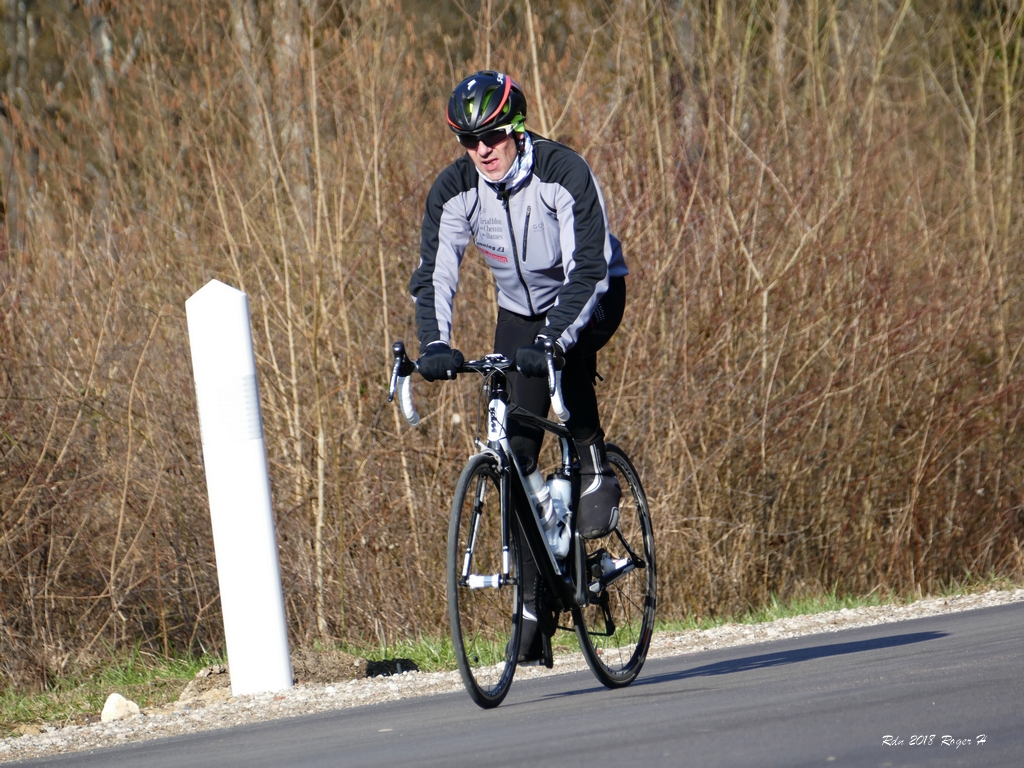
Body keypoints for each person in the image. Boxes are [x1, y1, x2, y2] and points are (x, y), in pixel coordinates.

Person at [409, 70, 629, 665]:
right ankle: (535, 605)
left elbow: (588, 268)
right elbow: (435, 273)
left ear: (517, 127)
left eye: (492, 135)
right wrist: (434, 343)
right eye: (468, 140)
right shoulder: (456, 190)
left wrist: (554, 339)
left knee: (567, 358)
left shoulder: (562, 171)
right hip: (518, 312)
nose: (482, 149)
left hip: (592, 292)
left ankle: (592, 458)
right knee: (517, 452)